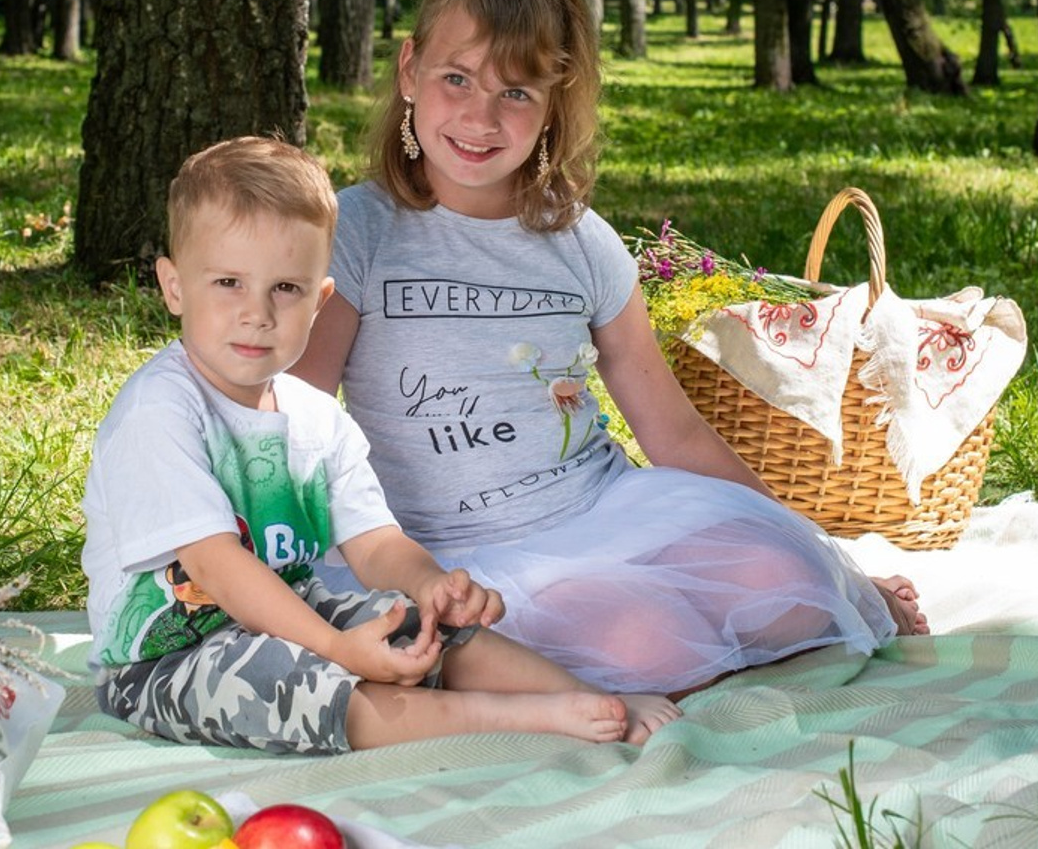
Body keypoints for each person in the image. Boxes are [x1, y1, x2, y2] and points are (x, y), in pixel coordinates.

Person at [292, 0, 926, 699]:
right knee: (641, 647)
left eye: (516, 93)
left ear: (553, 103)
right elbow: (297, 419)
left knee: (788, 588)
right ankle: (524, 659)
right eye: (456, 79)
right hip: (446, 552)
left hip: (599, 508)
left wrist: (833, 563)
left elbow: (676, 431)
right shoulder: (358, 231)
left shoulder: (579, 242)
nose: (480, 117)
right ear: (409, 71)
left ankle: (771, 597)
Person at [82, 135, 681, 755]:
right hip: (167, 656)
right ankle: (529, 717)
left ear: (320, 301)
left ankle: (580, 694)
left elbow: (374, 542)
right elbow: (216, 566)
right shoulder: (160, 409)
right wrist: (337, 648)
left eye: (285, 288)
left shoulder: (315, 416)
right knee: (308, 688)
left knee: (417, 624)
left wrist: (430, 585)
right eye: (228, 282)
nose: (256, 312)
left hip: (286, 607)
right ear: (174, 287)